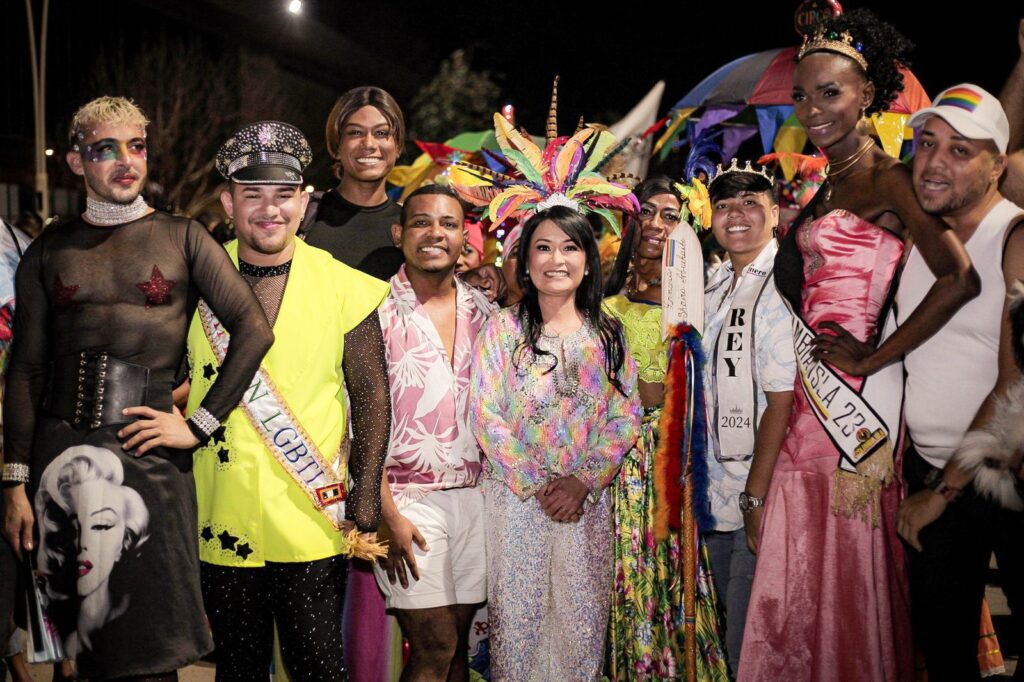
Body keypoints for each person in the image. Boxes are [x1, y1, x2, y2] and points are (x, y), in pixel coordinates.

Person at [738, 11, 979, 681]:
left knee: (846, 576)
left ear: (869, 93)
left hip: (854, 414)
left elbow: (959, 277)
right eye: (803, 96)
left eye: (831, 93)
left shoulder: (889, 179)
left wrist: (874, 357)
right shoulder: (827, 185)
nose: (812, 110)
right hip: (809, 409)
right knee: (801, 577)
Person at [0, 96, 273, 680]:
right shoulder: (48, 249)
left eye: (137, 146)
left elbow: (254, 330)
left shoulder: (183, 236)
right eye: (106, 149)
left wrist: (199, 423)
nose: (126, 162)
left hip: (148, 460)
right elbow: (24, 370)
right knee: (80, 649)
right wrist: (15, 482)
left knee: (152, 651)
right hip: (60, 460)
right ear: (77, 161)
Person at [187, 121, 390, 681]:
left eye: (283, 196)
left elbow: (372, 397)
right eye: (252, 195)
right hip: (217, 514)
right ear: (228, 201)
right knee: (238, 668)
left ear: (305, 202)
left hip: (311, 519)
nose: (269, 210)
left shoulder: (344, 283)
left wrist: (365, 501)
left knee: (318, 667)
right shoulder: (193, 279)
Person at [471, 205, 642, 681]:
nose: (556, 259)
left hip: (585, 504)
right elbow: (486, 415)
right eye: (542, 248)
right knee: (517, 629)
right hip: (516, 503)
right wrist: (543, 484)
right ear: (525, 262)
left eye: (569, 247)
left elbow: (624, 415)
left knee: (580, 628)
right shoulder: (502, 330)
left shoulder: (608, 334)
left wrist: (581, 483)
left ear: (588, 259)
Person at [891, 85, 1024, 682]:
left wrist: (941, 492)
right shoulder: (920, 237)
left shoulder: (1016, 237)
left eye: (961, 150)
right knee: (944, 656)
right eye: (927, 144)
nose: (936, 161)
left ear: (999, 164)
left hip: (999, 476)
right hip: (933, 470)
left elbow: (1014, 380)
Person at [604, 176, 730, 682]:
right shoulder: (602, 293)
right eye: (647, 212)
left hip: (663, 455)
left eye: (670, 214)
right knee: (617, 574)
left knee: (660, 567)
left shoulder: (698, 293)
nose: (657, 224)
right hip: (607, 456)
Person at [374, 184, 493, 682]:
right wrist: (382, 513)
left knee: (457, 652)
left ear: (463, 237)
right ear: (399, 233)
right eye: (422, 222)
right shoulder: (370, 309)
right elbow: (348, 420)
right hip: (406, 501)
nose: (434, 234)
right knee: (433, 646)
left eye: (447, 223)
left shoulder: (485, 313)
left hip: (478, 500)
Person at [701, 161, 795, 677]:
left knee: (748, 647)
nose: (735, 215)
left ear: (775, 214)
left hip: (761, 494)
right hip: (715, 494)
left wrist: (757, 497)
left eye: (750, 203)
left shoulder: (781, 283)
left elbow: (781, 401)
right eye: (723, 205)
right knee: (726, 640)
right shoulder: (715, 285)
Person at [302, 86, 405, 280]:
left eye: (381, 133)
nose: (369, 144)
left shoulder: (411, 226)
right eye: (355, 132)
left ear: (397, 145)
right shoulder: (303, 215)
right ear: (337, 145)